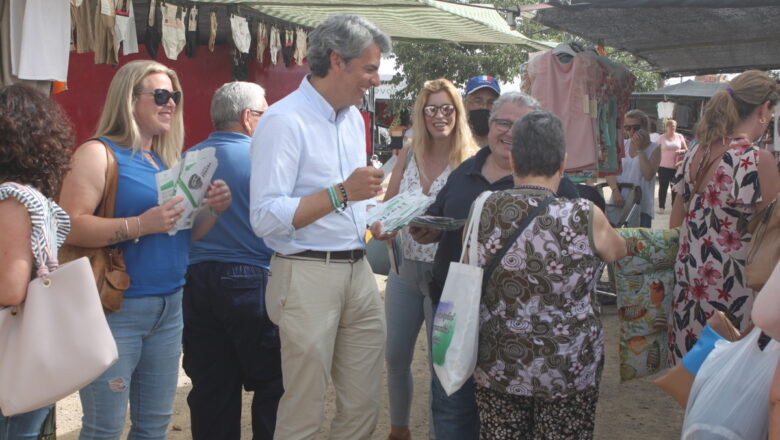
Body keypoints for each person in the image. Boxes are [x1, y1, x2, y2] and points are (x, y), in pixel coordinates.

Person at [58, 60, 232, 439]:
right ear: (128, 99)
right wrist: (142, 224)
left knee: (154, 427)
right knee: (103, 428)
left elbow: (183, 234)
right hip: (116, 308)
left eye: (175, 96)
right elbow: (69, 224)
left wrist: (211, 211)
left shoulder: (164, 160)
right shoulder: (97, 154)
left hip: (169, 308)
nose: (170, 103)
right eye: (160, 95)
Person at [249, 15, 391, 439]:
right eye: (369, 68)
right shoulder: (282, 121)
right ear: (336, 61)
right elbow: (265, 217)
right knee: (304, 407)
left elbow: (350, 202)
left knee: (364, 403)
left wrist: (376, 219)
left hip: (357, 269)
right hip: (305, 274)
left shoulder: (352, 119)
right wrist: (341, 194)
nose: (376, 79)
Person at [410, 91, 581, 439]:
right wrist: (429, 228)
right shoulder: (464, 171)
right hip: (454, 312)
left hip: (516, 329)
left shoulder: (559, 185)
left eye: (521, 126)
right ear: (489, 124)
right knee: (449, 404)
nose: (510, 133)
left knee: (504, 422)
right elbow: (441, 214)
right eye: (504, 122)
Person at [472, 110, 626, 439]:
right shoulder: (584, 214)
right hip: (568, 368)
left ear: (512, 161)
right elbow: (617, 251)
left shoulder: (483, 207)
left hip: (500, 364)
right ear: (563, 163)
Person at [183, 81, 282, 440]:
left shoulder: (189, 159)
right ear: (247, 117)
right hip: (252, 279)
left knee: (211, 391)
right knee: (273, 384)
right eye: (265, 113)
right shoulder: (264, 159)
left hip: (196, 282)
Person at [382, 78, 476, 440]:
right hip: (403, 270)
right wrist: (386, 224)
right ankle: (399, 430)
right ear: (422, 114)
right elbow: (389, 203)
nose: (440, 116)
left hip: (447, 277)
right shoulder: (407, 153)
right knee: (394, 356)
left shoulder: (469, 159)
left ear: (457, 112)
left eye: (447, 108)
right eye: (432, 108)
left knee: (441, 363)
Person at [669, 70, 780, 362]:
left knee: (694, 375)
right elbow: (772, 236)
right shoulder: (757, 160)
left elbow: (675, 220)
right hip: (735, 290)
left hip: (691, 284)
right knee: (732, 380)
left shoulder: (696, 152)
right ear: (763, 109)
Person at [0, 85, 73, 440]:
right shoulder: (36, 198)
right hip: (30, 351)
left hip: (11, 354)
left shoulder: (13, 199)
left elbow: (11, 289)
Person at [605, 109, 662, 227]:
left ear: (644, 127)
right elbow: (609, 170)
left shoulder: (654, 148)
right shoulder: (622, 144)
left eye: (635, 127)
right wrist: (615, 190)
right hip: (619, 201)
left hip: (641, 205)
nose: (631, 131)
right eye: (627, 128)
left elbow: (648, 175)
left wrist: (640, 149)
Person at [657, 119, 687, 213]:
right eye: (671, 126)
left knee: (674, 188)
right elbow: (655, 151)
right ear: (666, 127)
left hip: (676, 167)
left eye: (674, 126)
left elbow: (686, 149)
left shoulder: (679, 136)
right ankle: (661, 207)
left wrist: (680, 151)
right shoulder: (661, 138)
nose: (673, 128)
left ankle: (674, 207)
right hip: (663, 166)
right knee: (663, 187)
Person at [464, 75, 500, 147]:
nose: (484, 107)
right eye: (478, 101)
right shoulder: (453, 142)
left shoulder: (505, 146)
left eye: (491, 102)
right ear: (465, 104)